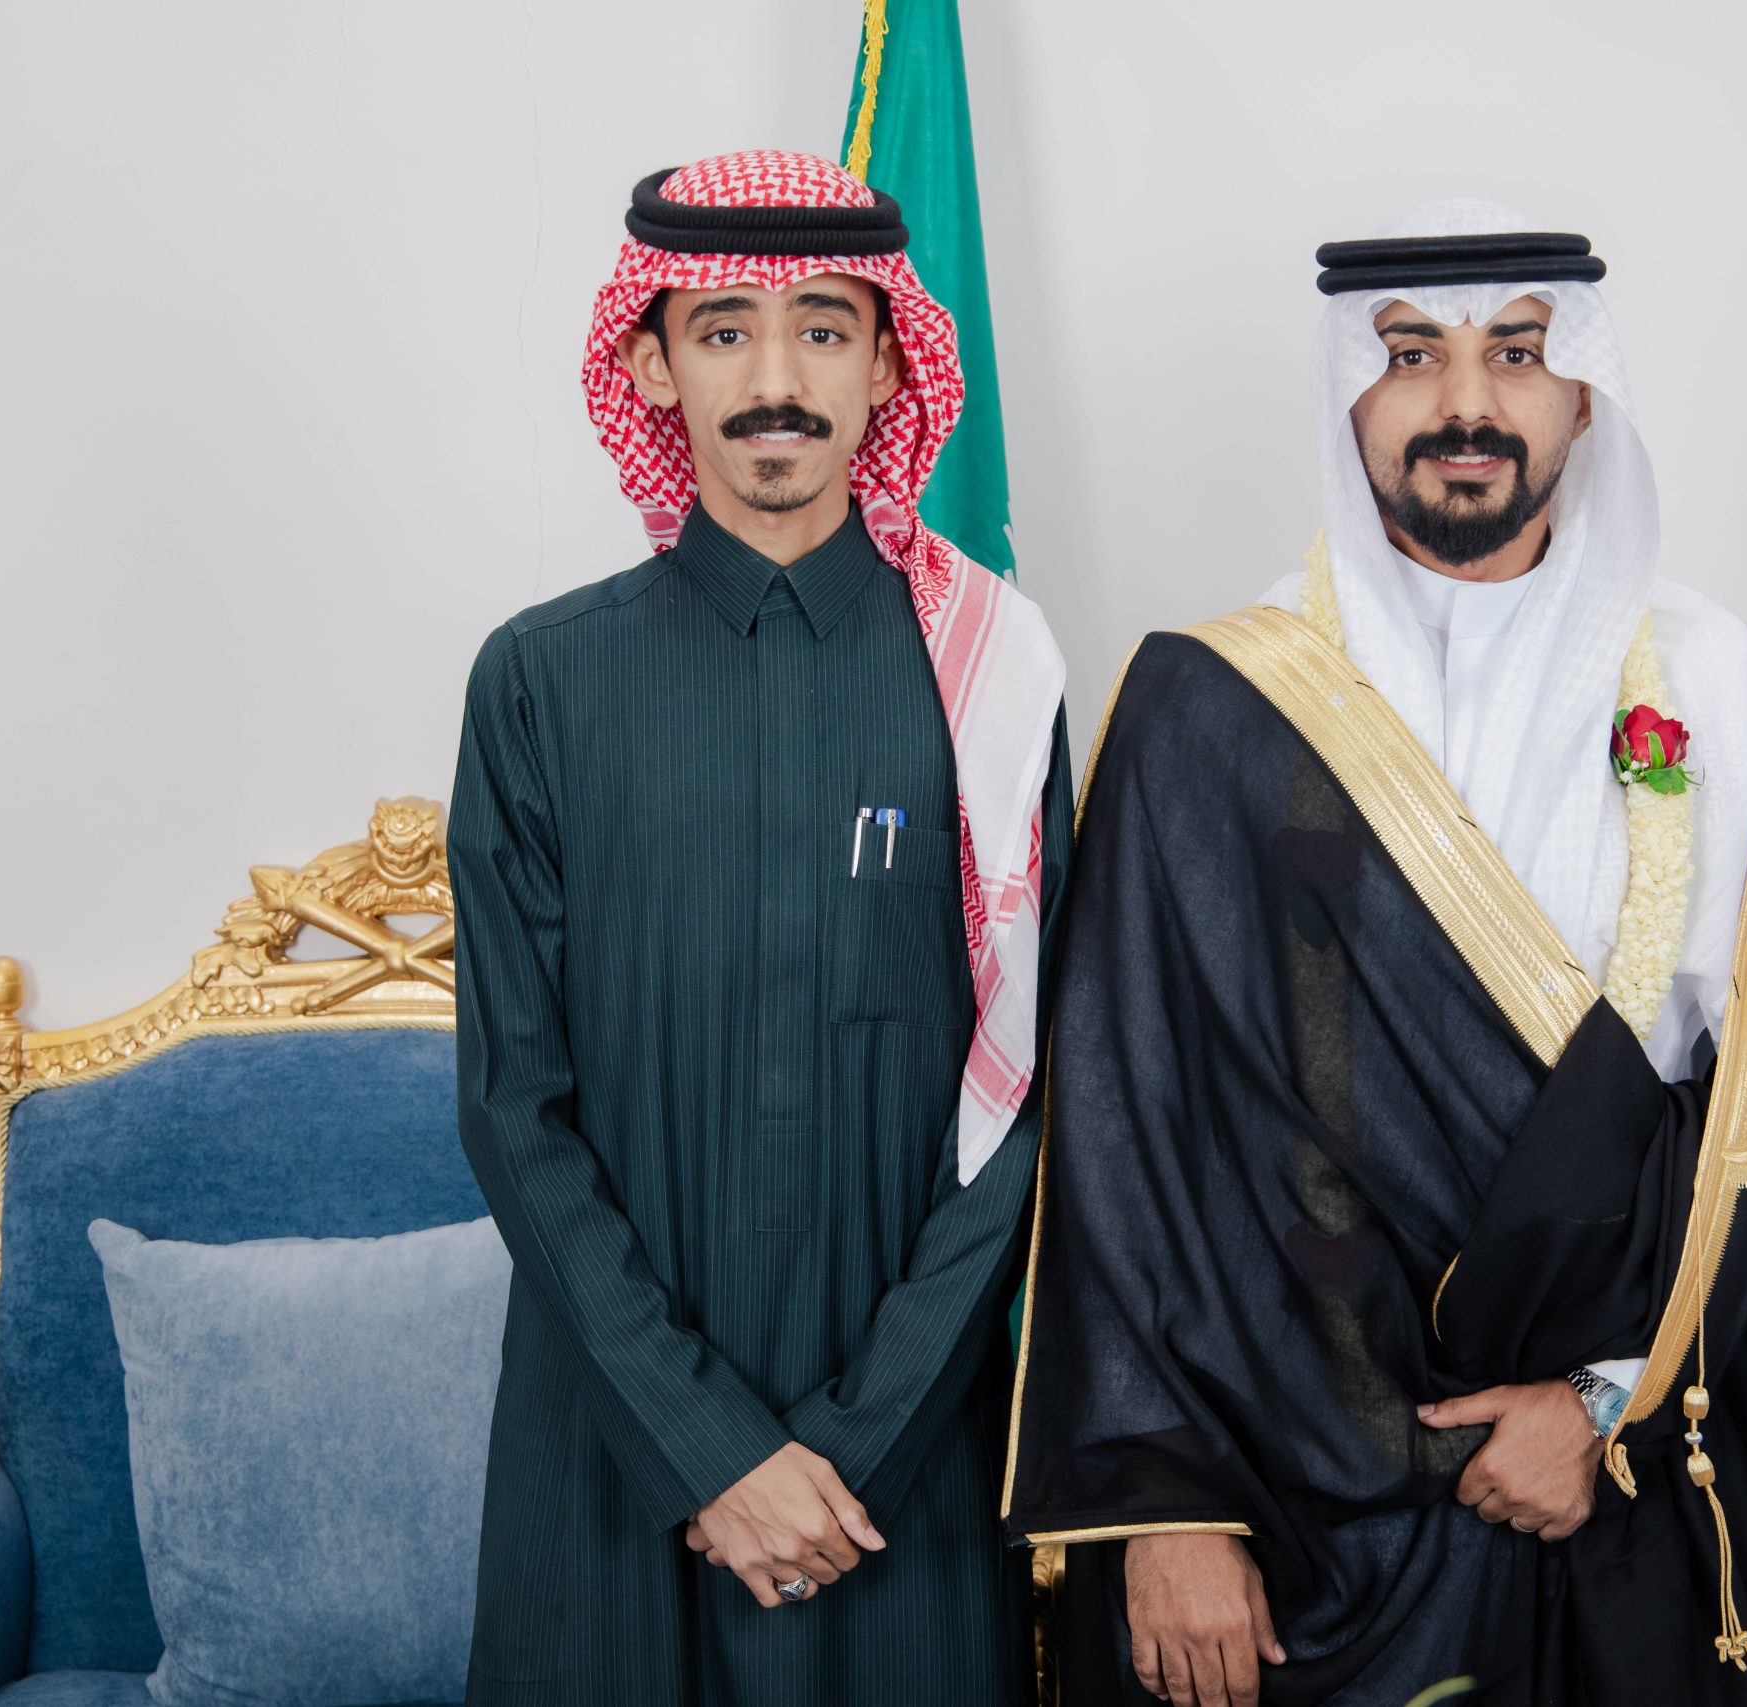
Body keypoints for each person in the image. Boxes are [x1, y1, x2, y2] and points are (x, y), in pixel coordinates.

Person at [1003, 201, 1747, 1706]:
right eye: (1412, 355)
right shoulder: (1208, 708)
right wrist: (1169, 1508)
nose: (1467, 404)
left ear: (1584, 396)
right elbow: (1126, 1133)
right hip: (1283, 1501)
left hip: (1617, 1462)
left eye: (1520, 354)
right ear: (1348, 396)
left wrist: (1602, 1399)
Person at [451, 149, 1067, 1704]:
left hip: (902, 1465)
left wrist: (853, 1443)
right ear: (652, 363)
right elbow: (513, 1108)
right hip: (613, 1447)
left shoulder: (992, 683)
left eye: (823, 329)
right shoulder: (539, 681)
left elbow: (1031, 1100)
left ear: (888, 367)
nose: (775, 380)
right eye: (724, 330)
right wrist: (709, 1450)